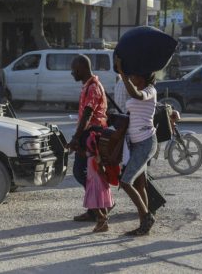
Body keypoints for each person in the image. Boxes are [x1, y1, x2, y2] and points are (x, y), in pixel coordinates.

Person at [115, 57, 158, 237]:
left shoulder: (150, 90)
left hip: (146, 142)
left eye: (133, 76)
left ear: (142, 77)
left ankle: (147, 217)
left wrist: (122, 74)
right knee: (140, 184)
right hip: (135, 143)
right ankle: (144, 223)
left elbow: (136, 95)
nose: (131, 78)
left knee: (126, 182)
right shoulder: (140, 88)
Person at [67, 55, 108, 222]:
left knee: (81, 172)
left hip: (92, 136)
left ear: (82, 68)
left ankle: (99, 208)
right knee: (85, 173)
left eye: (74, 69)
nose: (72, 73)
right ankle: (97, 208)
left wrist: (76, 138)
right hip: (87, 134)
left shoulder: (93, 87)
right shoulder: (88, 85)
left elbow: (88, 115)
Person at [83, 132, 113, 233]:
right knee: (102, 204)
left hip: (95, 183)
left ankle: (101, 218)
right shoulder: (94, 156)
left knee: (93, 203)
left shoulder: (95, 158)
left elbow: (100, 171)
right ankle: (104, 225)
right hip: (97, 183)